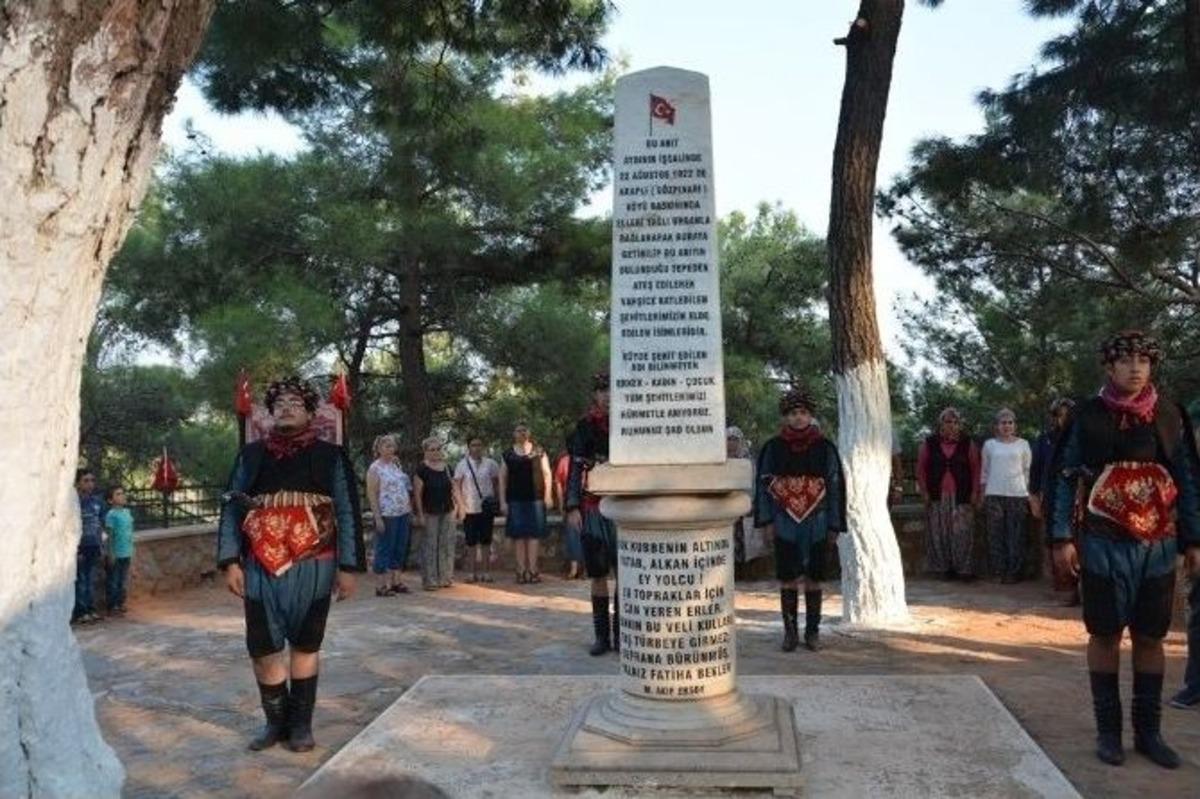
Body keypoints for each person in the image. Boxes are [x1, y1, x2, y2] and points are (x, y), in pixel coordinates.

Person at [1049, 331, 1200, 769]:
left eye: (1144, 361)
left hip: (1157, 545)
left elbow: (1188, 478)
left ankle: (1149, 734)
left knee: (1151, 635)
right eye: (1126, 360)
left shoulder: (1170, 415)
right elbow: (1062, 476)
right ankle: (1109, 733)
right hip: (1101, 543)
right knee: (1105, 632)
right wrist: (1060, 538)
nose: (1135, 368)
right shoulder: (1087, 415)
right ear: (1108, 367)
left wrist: (1193, 539)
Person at [217, 376, 364, 753]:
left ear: (311, 412)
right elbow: (232, 506)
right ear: (269, 412)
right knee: (263, 648)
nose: (286, 407)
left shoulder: (332, 456)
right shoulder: (250, 455)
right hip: (259, 567)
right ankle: (274, 723)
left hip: (314, 566)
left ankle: (300, 725)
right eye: (279, 403)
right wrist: (230, 560)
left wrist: (348, 567)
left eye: (295, 403)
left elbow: (347, 511)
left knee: (305, 646)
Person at [753, 387, 847, 652]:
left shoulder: (825, 447)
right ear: (786, 416)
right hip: (784, 522)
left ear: (810, 415)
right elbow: (762, 485)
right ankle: (790, 632)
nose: (798, 418)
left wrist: (834, 525)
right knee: (788, 577)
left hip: (817, 522)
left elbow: (835, 484)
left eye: (803, 413)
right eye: (793, 413)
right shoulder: (773, 448)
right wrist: (767, 522)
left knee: (814, 577)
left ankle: (813, 633)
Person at [565, 372, 618, 655]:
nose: (607, 396)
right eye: (602, 391)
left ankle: (624, 634)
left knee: (626, 572)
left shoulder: (631, 423)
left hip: (624, 506)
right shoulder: (584, 427)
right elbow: (574, 468)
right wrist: (572, 505)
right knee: (598, 573)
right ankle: (602, 637)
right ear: (595, 395)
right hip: (592, 507)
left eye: (612, 390)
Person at [917, 407, 981, 581]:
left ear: (959, 425)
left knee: (962, 533)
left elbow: (976, 470)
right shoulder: (929, 443)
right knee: (939, 533)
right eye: (947, 422)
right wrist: (924, 491)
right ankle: (942, 568)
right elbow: (921, 469)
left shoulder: (968, 444)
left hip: (962, 496)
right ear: (941, 424)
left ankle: (963, 570)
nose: (951, 425)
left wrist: (975, 492)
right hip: (937, 496)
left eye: (954, 422)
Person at [1030, 398, 1078, 605]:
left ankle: (1084, 590)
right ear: (1054, 417)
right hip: (1053, 497)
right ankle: (1064, 589)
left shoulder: (1083, 439)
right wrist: (1033, 497)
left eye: (1068, 414)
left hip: (1081, 499)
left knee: (1081, 544)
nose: (1064, 418)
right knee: (1055, 543)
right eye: (1060, 414)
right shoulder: (1044, 440)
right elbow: (1036, 471)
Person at [980, 408, 1032, 584]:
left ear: (1015, 425)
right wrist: (982, 493)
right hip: (994, 494)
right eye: (1003, 422)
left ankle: (1014, 572)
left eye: (1010, 422)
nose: (1007, 426)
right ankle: (998, 571)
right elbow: (985, 471)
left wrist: (1029, 494)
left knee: (1016, 535)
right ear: (997, 426)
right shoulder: (989, 445)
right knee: (995, 535)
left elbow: (1027, 470)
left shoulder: (1023, 444)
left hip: (1017, 494)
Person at [499, 423, 552, 583]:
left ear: (529, 432)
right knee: (519, 536)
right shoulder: (507, 454)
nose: (521, 433)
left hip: (536, 499)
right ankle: (521, 571)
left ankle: (533, 570)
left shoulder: (539, 451)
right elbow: (502, 478)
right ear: (514, 434)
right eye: (518, 430)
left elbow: (547, 474)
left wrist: (548, 496)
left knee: (534, 535)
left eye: (524, 430)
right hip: (515, 500)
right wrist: (503, 501)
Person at [366, 434, 413, 596]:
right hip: (387, 514)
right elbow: (372, 493)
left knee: (400, 547)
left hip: (402, 512)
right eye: (386, 446)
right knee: (385, 547)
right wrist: (377, 517)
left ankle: (396, 581)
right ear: (379, 449)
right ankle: (381, 585)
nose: (389, 450)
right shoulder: (375, 468)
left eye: (392, 446)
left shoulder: (396, 465)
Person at [453, 435, 500, 583]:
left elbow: (496, 482)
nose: (477, 448)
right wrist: (460, 505)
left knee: (486, 541)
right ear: (469, 447)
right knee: (471, 541)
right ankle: (471, 572)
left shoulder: (491, 464)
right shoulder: (462, 465)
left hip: (486, 508)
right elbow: (456, 486)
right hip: (469, 508)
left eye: (479, 445)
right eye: (473, 445)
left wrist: (495, 501)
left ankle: (485, 572)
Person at [414, 436, 459, 591]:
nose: (435, 452)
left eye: (438, 449)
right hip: (430, 511)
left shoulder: (447, 467)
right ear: (425, 452)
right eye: (432, 450)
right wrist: (420, 514)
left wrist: (461, 506)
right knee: (430, 545)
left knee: (446, 544)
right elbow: (418, 494)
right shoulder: (421, 469)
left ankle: (446, 577)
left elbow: (454, 488)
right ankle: (430, 580)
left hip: (448, 510)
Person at [72, 468, 104, 625]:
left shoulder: (96, 502)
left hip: (93, 545)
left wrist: (101, 545)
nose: (90, 484)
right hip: (81, 547)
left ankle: (91, 609)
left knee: (90, 580)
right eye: (86, 480)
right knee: (81, 580)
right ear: (78, 482)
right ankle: (81, 611)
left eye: (92, 480)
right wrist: (76, 549)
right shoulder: (75, 502)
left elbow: (99, 525)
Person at [103, 485, 135, 616]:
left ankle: (120, 603)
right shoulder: (111, 515)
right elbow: (109, 536)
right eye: (118, 494)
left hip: (126, 551)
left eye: (123, 493)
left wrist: (133, 550)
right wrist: (110, 553)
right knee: (114, 580)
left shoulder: (127, 512)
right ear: (110, 500)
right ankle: (112, 606)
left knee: (122, 580)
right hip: (116, 552)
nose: (122, 496)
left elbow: (130, 533)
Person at [553, 447, 583, 579]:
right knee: (572, 535)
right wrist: (561, 505)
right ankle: (574, 567)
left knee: (588, 534)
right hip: (571, 501)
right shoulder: (564, 461)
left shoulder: (587, 460)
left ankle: (587, 567)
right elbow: (559, 483)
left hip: (587, 500)